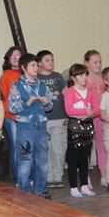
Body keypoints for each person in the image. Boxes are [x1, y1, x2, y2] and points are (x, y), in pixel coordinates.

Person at [8, 53, 53, 199]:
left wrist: (47, 102)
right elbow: (11, 107)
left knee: (42, 161)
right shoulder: (17, 86)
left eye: (36, 65)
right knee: (25, 162)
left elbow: (50, 106)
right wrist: (26, 103)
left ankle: (41, 190)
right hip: (25, 128)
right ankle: (24, 191)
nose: (36, 68)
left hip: (41, 126)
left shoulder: (42, 85)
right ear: (24, 67)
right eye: (32, 65)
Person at [64, 64, 99, 198]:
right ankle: (73, 187)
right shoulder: (70, 92)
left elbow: (97, 109)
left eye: (85, 74)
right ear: (73, 78)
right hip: (75, 127)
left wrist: (90, 113)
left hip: (88, 127)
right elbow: (69, 110)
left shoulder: (90, 92)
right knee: (74, 158)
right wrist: (86, 111)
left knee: (85, 157)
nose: (84, 77)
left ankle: (84, 185)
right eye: (81, 75)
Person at [36, 50, 67, 189]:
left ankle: (58, 176)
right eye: (47, 60)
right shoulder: (36, 78)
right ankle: (48, 177)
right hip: (43, 120)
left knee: (59, 148)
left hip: (59, 118)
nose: (50, 62)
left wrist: (67, 114)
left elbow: (66, 95)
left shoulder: (58, 76)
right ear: (39, 63)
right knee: (45, 149)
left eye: (52, 60)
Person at [0, 46, 23, 180]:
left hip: (26, 116)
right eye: (12, 56)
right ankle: (18, 177)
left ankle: (27, 176)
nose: (15, 58)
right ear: (8, 59)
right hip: (10, 117)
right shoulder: (5, 76)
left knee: (26, 146)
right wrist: (11, 113)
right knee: (16, 146)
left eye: (18, 56)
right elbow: (3, 98)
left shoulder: (26, 75)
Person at [84, 50, 106, 188]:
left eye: (99, 62)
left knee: (102, 145)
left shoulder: (104, 77)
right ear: (87, 63)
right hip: (88, 117)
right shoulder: (83, 78)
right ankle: (86, 178)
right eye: (95, 62)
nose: (98, 65)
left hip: (101, 116)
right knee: (86, 147)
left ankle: (104, 177)